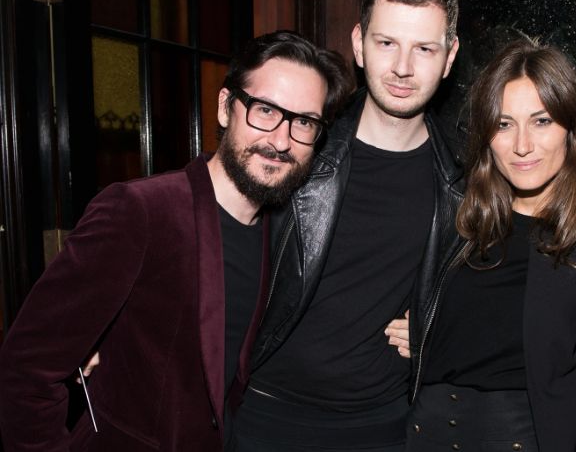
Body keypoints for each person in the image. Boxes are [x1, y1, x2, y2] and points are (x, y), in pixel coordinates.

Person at [0, 30, 353, 452]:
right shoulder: (141, 211)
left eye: (304, 123)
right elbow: (28, 368)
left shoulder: (279, 235)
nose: (281, 140)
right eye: (265, 110)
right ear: (225, 107)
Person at [228, 0, 462, 452]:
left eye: (424, 48)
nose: (403, 67)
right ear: (358, 44)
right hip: (264, 415)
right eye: (386, 43)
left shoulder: (463, 180)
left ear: (450, 56)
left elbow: (507, 295)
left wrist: (440, 326)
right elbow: (209, 237)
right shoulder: (298, 148)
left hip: (384, 427)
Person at [393, 39, 576, 452]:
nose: (521, 145)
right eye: (503, 124)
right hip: (423, 436)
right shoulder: (459, 224)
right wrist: (426, 332)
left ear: (571, 129)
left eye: (541, 121)